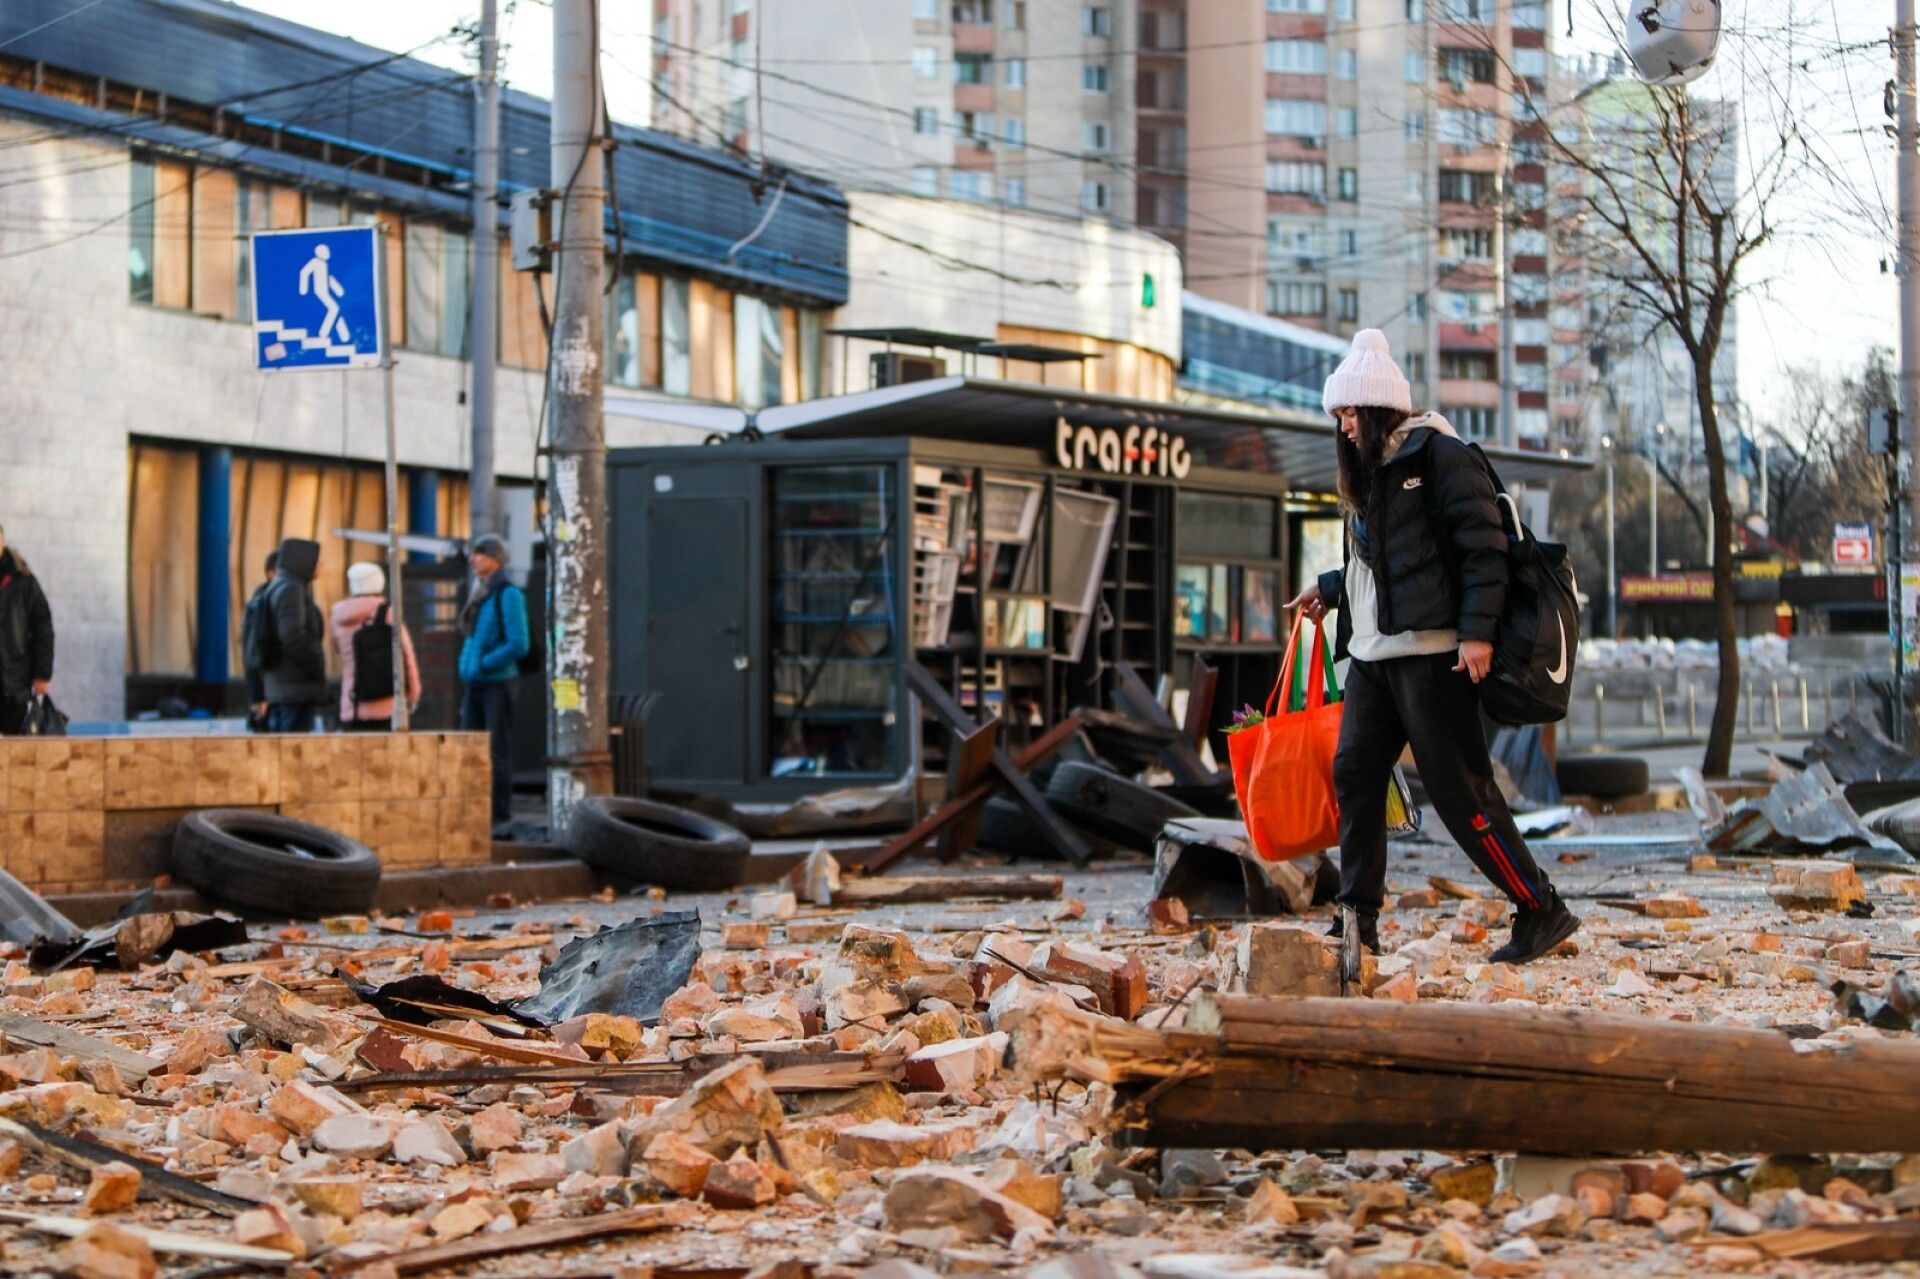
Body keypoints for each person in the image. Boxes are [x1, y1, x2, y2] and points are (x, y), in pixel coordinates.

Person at [1287, 329, 1579, 966]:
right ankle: (1358, 919)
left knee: (1460, 793)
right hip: (1374, 655)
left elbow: (1484, 551)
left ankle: (1540, 906)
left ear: (1377, 407)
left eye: (1347, 413)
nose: (1340, 426)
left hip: (1436, 654)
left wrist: (1476, 634)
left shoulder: (1440, 457)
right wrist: (1331, 589)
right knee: (1356, 775)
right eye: (1336, 415)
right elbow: (1386, 568)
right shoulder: (1366, 477)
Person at [458, 534, 529, 835]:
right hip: (476, 683)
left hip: (498, 683)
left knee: (496, 748)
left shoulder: (507, 595)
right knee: (469, 748)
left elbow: (519, 643)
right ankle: (472, 809)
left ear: (496, 559)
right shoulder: (481, 593)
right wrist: (469, 666)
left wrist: (485, 664)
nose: (473, 559)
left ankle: (499, 813)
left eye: (480, 554)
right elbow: (473, 638)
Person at [331, 561, 421, 732]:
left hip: (353, 704)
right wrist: (413, 693)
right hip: (388, 704)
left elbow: (339, 652)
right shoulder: (389, 613)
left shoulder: (338, 617)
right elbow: (406, 655)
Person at [259, 537, 327, 733]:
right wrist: (316, 666)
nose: (321, 564)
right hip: (295, 688)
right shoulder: (291, 589)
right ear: (303, 560)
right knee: (295, 754)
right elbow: (293, 636)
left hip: (283, 687)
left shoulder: (279, 586)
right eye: (316, 559)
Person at [0, 524, 54, 735]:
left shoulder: (23, 581)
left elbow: (43, 628)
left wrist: (42, 674)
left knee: (17, 753)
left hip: (14, 684)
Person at [241, 549, 278, 731]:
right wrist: (257, 696)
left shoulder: (265, 602)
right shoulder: (261, 605)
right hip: (266, 692)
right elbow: (253, 652)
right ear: (270, 573)